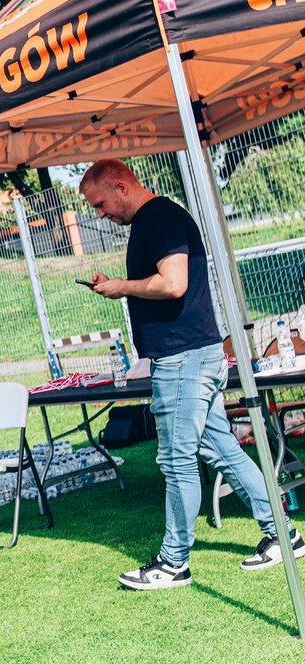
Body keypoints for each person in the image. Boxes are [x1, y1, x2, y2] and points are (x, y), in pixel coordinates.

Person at [79, 159, 304, 590]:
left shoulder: (159, 218)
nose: (100, 215)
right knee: (222, 449)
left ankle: (173, 562)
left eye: (100, 204)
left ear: (121, 186)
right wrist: (121, 285)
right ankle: (283, 534)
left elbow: (174, 283)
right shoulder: (155, 219)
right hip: (193, 356)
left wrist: (122, 286)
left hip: (183, 360)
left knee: (176, 459)